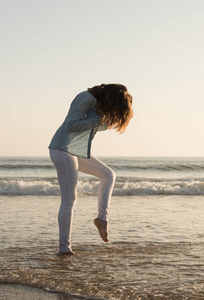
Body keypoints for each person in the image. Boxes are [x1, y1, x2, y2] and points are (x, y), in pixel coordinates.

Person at [48, 84, 133, 255]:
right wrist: (97, 120)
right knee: (69, 200)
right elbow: (70, 125)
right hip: (62, 149)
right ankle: (64, 249)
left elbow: (92, 126)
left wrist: (105, 122)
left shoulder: (98, 106)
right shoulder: (86, 98)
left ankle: (102, 219)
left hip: (74, 151)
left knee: (108, 174)